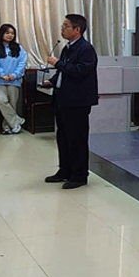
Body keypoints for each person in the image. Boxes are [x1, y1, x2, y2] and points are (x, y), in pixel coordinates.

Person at [44, 14, 99, 189]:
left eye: (66, 26)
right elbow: (63, 72)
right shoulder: (67, 48)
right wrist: (52, 81)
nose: (62, 28)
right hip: (63, 99)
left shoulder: (86, 49)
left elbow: (80, 71)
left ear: (77, 29)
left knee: (77, 139)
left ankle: (79, 175)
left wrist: (57, 63)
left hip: (78, 101)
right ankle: (65, 170)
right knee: (63, 137)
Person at [0, 23, 28, 134]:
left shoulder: (19, 48)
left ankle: (7, 128)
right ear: (1, 34)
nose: (10, 35)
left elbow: (22, 63)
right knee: (1, 101)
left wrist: (15, 75)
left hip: (14, 81)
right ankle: (17, 120)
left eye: (12, 33)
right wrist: (2, 74)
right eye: (7, 33)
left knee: (12, 104)